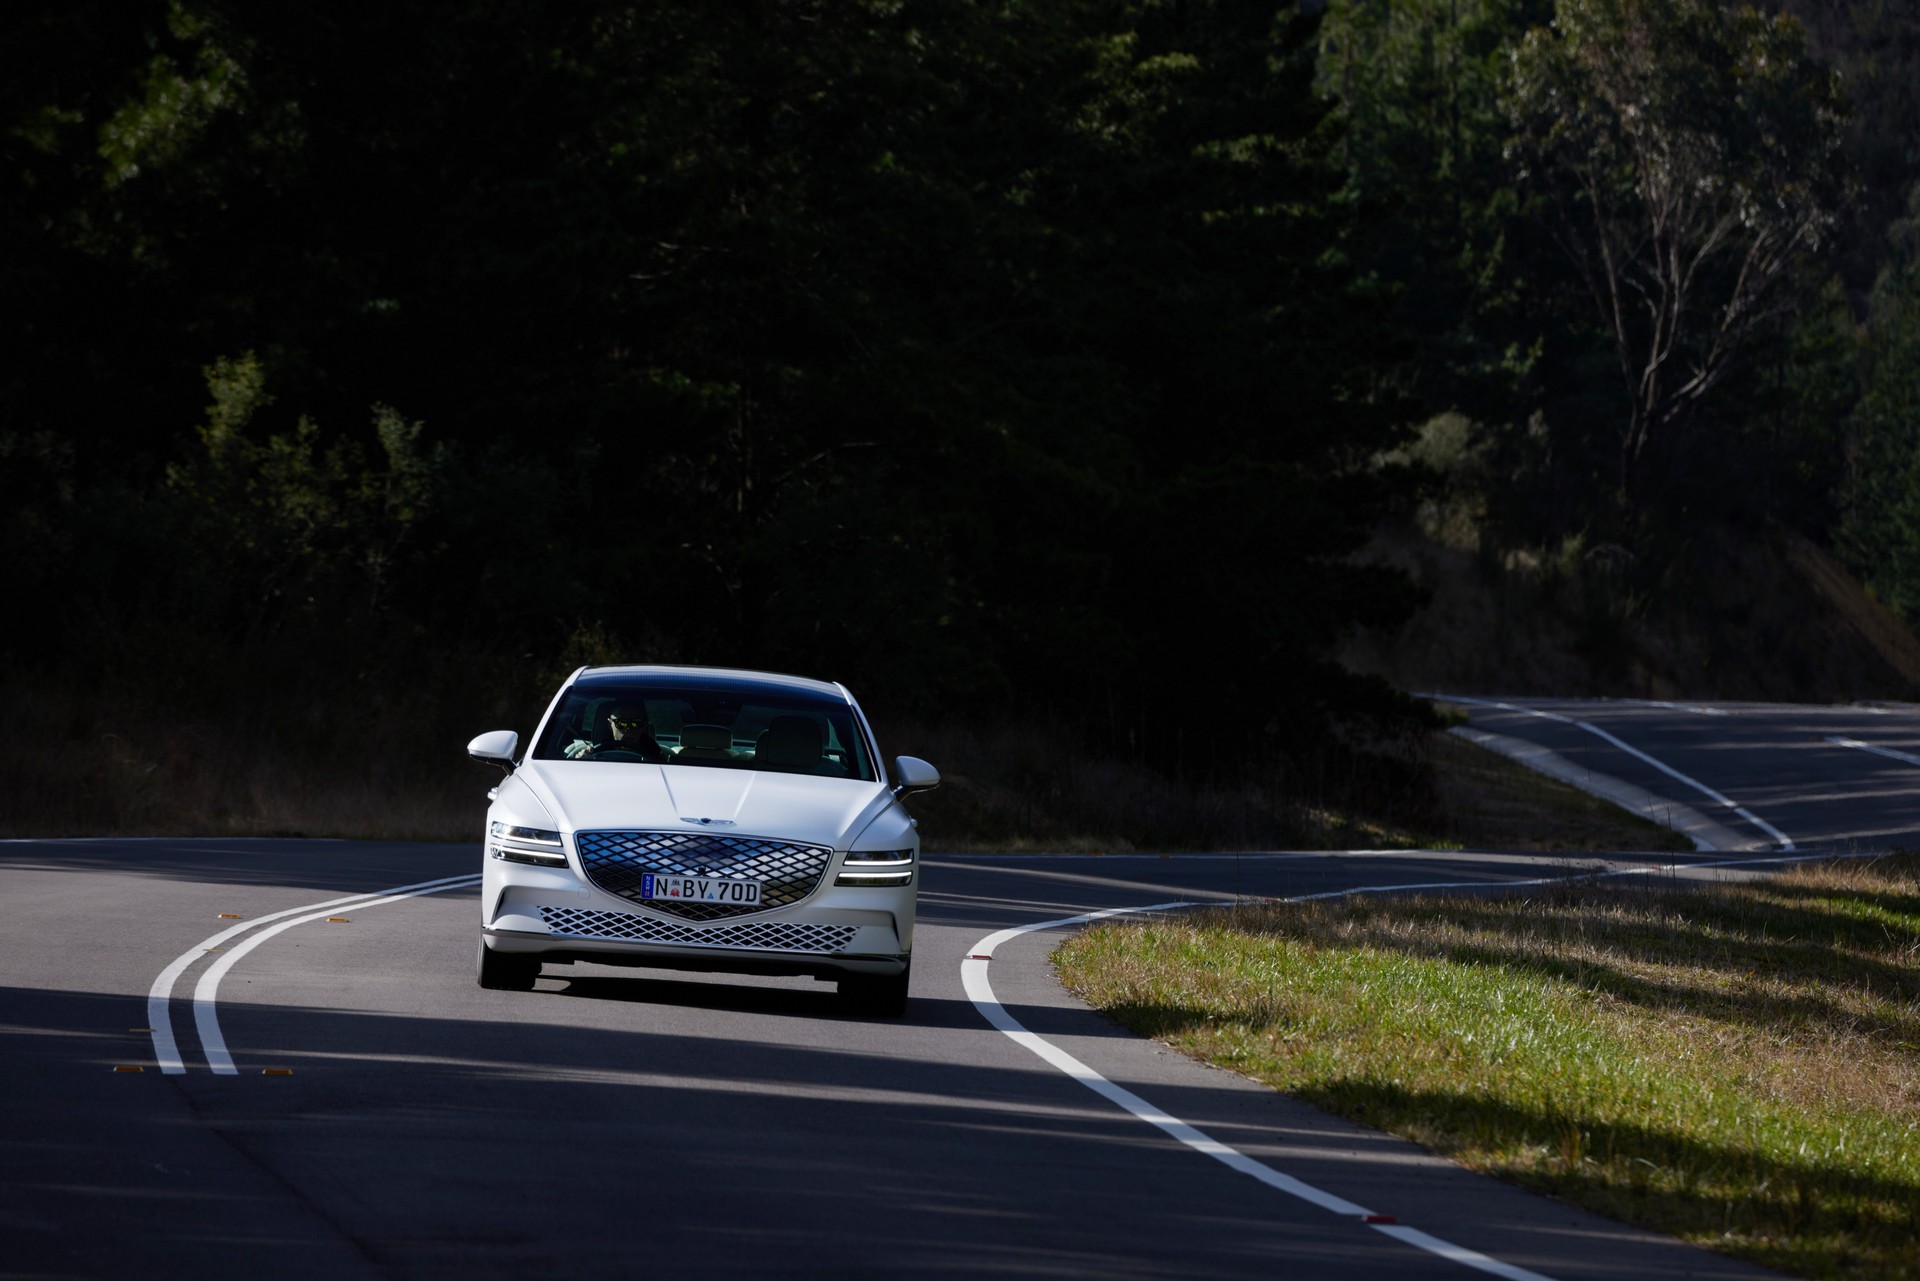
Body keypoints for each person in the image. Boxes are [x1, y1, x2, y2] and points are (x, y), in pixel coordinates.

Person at [564, 701, 667, 761]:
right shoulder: (591, 755)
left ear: (644, 727)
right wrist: (581, 762)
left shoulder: (658, 758)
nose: (629, 729)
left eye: (636, 723)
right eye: (622, 723)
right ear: (610, 725)